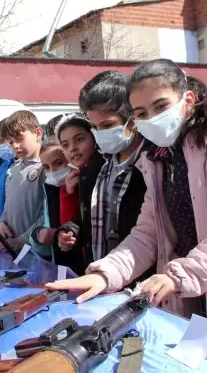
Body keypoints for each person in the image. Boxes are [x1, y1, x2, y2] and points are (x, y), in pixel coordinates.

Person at [47, 58, 207, 352]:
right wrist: (105, 274)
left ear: (187, 99)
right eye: (141, 113)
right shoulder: (157, 159)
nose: (151, 118)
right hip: (191, 296)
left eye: (161, 106)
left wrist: (181, 274)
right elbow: (147, 233)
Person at [74, 71, 154, 283]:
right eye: (96, 127)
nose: (100, 133)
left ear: (133, 119)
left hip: (143, 282)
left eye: (108, 125)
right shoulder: (97, 166)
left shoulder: (154, 164)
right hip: (103, 279)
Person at [50, 113, 103, 274]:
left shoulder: (104, 171)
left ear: (94, 137)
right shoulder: (75, 177)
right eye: (65, 145)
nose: (72, 148)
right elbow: (75, 221)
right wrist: (66, 234)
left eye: (79, 139)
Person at [0, 110, 46, 253]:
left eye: (20, 138)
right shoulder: (14, 169)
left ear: (38, 133)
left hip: (37, 251)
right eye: (11, 142)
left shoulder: (47, 168)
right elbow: (8, 204)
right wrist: (2, 221)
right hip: (13, 249)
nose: (15, 146)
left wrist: (22, 240)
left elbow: (47, 215)